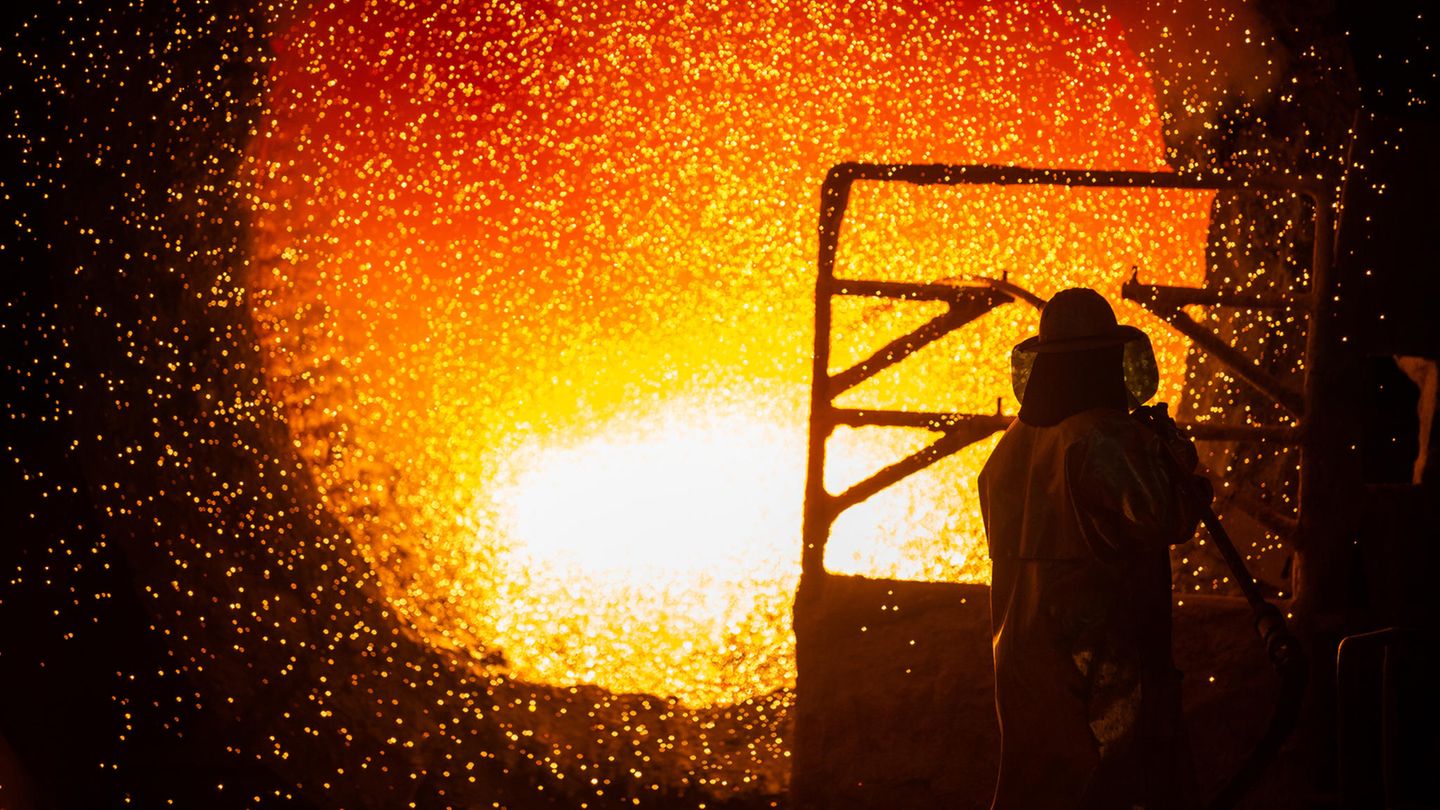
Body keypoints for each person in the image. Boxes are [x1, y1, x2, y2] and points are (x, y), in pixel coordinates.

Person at [977, 287, 1205, 810]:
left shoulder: (1013, 446)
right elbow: (1167, 515)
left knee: (1035, 781)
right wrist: (1174, 456)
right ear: (1106, 358)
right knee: (1116, 777)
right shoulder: (1101, 436)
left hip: (1022, 648)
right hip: (1099, 644)